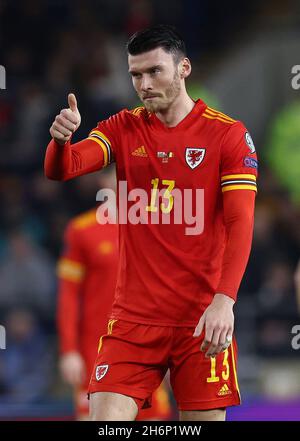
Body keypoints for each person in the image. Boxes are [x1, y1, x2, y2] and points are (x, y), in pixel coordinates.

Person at [45, 24, 258, 421]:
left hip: (201, 321)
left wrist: (224, 301)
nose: (143, 84)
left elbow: (241, 222)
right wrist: (61, 142)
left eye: (154, 71)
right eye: (135, 75)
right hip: (132, 322)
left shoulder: (228, 135)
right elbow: (65, 168)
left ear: (184, 69)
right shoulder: (123, 127)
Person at [57, 168, 172, 420]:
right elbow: (68, 296)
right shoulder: (82, 230)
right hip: (96, 350)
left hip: (146, 348)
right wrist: (68, 350)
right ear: (104, 181)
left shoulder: (155, 229)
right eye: (119, 176)